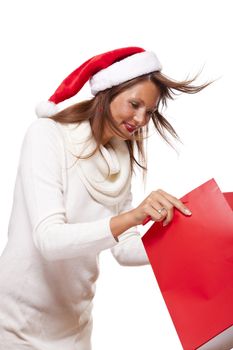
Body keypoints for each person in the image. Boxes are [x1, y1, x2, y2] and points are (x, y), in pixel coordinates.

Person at [0, 46, 210, 349]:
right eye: (134, 104)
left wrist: (189, 238)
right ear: (107, 93)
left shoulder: (120, 156)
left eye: (149, 112)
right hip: (16, 322)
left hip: (74, 324)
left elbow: (124, 249)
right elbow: (49, 240)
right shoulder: (46, 135)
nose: (141, 119)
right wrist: (134, 215)